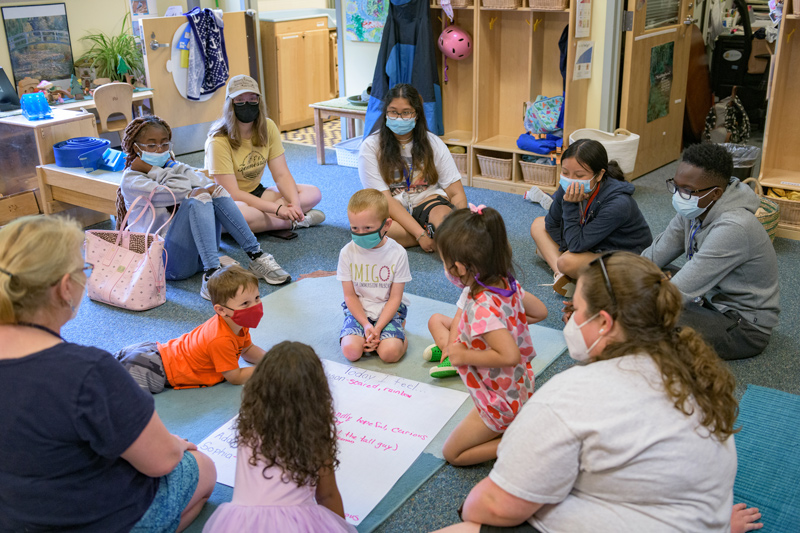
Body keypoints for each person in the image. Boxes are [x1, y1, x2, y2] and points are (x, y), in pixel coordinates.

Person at [435, 252, 741, 533]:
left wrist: (474, 507)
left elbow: (491, 505)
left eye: (576, 309)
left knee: (465, 522)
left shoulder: (569, 396)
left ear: (604, 322)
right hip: (704, 521)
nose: (569, 318)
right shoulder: (694, 369)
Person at [0, 216, 216, 532]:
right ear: (64, 288)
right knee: (202, 467)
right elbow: (161, 461)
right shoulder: (86, 371)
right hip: (96, 517)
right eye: (84, 270)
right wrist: (176, 444)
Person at [120, 115, 290, 298]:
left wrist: (170, 166)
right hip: (165, 264)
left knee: (214, 190)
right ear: (136, 147)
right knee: (199, 195)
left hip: (198, 257)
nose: (159, 150)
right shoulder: (132, 180)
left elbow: (205, 181)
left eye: (164, 144)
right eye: (151, 145)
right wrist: (154, 170)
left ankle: (256, 256)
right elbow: (177, 189)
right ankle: (212, 274)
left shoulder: (172, 166)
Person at [642, 143, 779, 360]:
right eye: (675, 186)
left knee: (647, 323)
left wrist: (609, 301)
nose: (678, 195)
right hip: (708, 300)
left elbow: (678, 291)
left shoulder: (734, 227)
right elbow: (652, 257)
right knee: (646, 275)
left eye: (686, 190)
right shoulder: (694, 208)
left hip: (742, 327)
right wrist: (610, 282)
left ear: (716, 193)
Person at [202, 341, 356, 533]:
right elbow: (327, 495)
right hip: (295, 524)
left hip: (242, 524)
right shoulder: (315, 435)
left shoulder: (248, 425)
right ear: (316, 392)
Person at [432, 205, 537, 466]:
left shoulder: (480, 306)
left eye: (445, 263)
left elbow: (509, 355)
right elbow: (541, 312)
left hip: (500, 401)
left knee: (452, 454)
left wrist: (463, 354)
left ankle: (516, 439)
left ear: (458, 267)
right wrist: (511, 324)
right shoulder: (507, 284)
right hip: (521, 387)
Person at [530, 139, 652, 296]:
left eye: (579, 175)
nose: (570, 179)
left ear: (600, 174)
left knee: (565, 260)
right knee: (538, 225)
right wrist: (572, 246)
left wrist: (570, 206)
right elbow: (551, 224)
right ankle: (562, 275)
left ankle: (568, 270)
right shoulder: (568, 185)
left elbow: (575, 245)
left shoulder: (619, 204)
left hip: (625, 256)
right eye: (565, 172)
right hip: (592, 243)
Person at [115, 265, 267, 392]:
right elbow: (236, 377)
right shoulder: (221, 339)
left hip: (153, 353)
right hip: (153, 368)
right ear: (221, 310)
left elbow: (247, 350)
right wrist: (271, 370)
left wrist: (270, 359)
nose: (255, 306)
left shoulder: (237, 324)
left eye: (257, 298)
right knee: (109, 392)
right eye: (245, 304)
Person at [205, 75, 325, 234]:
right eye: (240, 100)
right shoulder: (218, 141)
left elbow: (281, 174)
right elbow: (232, 193)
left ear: (259, 102)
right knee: (238, 215)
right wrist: (277, 209)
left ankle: (265, 221)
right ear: (230, 104)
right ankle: (291, 223)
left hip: (257, 193)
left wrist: (295, 203)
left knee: (313, 193)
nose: (246, 104)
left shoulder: (268, 126)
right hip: (231, 201)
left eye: (252, 99)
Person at [358, 83, 468, 252]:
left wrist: (459, 223)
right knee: (366, 230)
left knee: (445, 219)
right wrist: (420, 234)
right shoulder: (371, 146)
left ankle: (440, 232)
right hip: (391, 209)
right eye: (393, 112)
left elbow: (456, 192)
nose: (399, 117)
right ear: (386, 113)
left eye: (406, 112)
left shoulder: (433, 143)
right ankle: (434, 235)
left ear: (416, 114)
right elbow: (385, 199)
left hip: (427, 200)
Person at [337, 189, 411, 363]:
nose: (361, 234)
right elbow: (349, 295)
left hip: (389, 310)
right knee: (351, 351)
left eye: (368, 228)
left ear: (386, 225)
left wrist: (377, 328)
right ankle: (374, 335)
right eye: (355, 228)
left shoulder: (398, 253)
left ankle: (400, 334)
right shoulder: (347, 252)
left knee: (389, 354)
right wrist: (366, 325)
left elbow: (395, 298)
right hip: (359, 311)